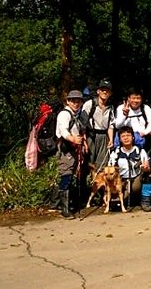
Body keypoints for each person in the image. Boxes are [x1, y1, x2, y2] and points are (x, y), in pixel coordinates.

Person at [55, 90, 88, 218]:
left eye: (78, 101)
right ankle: (64, 209)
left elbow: (79, 129)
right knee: (66, 175)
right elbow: (63, 130)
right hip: (65, 149)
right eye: (73, 100)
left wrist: (82, 142)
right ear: (68, 101)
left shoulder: (76, 114)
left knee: (70, 175)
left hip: (74, 149)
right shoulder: (64, 114)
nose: (76, 103)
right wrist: (72, 139)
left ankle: (58, 203)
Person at [108, 126, 151, 212]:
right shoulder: (116, 153)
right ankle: (119, 200)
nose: (126, 138)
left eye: (128, 135)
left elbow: (147, 168)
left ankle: (145, 201)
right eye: (123, 136)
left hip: (136, 180)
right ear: (120, 139)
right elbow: (110, 169)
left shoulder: (140, 151)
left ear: (133, 137)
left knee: (148, 176)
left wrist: (145, 168)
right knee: (117, 205)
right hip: (121, 182)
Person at [82, 79, 114, 173]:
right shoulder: (90, 104)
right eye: (103, 89)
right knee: (87, 163)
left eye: (107, 90)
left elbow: (110, 125)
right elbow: (83, 124)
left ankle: (99, 186)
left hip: (104, 136)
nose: (105, 92)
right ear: (98, 91)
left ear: (110, 93)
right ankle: (84, 186)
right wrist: (84, 142)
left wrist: (111, 139)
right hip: (91, 136)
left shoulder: (110, 107)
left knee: (102, 165)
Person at [114, 87, 151, 152]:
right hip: (125, 139)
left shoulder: (145, 108)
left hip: (140, 138)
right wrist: (124, 115)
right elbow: (117, 125)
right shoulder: (121, 108)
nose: (136, 101)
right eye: (133, 98)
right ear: (128, 98)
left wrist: (144, 132)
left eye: (138, 98)